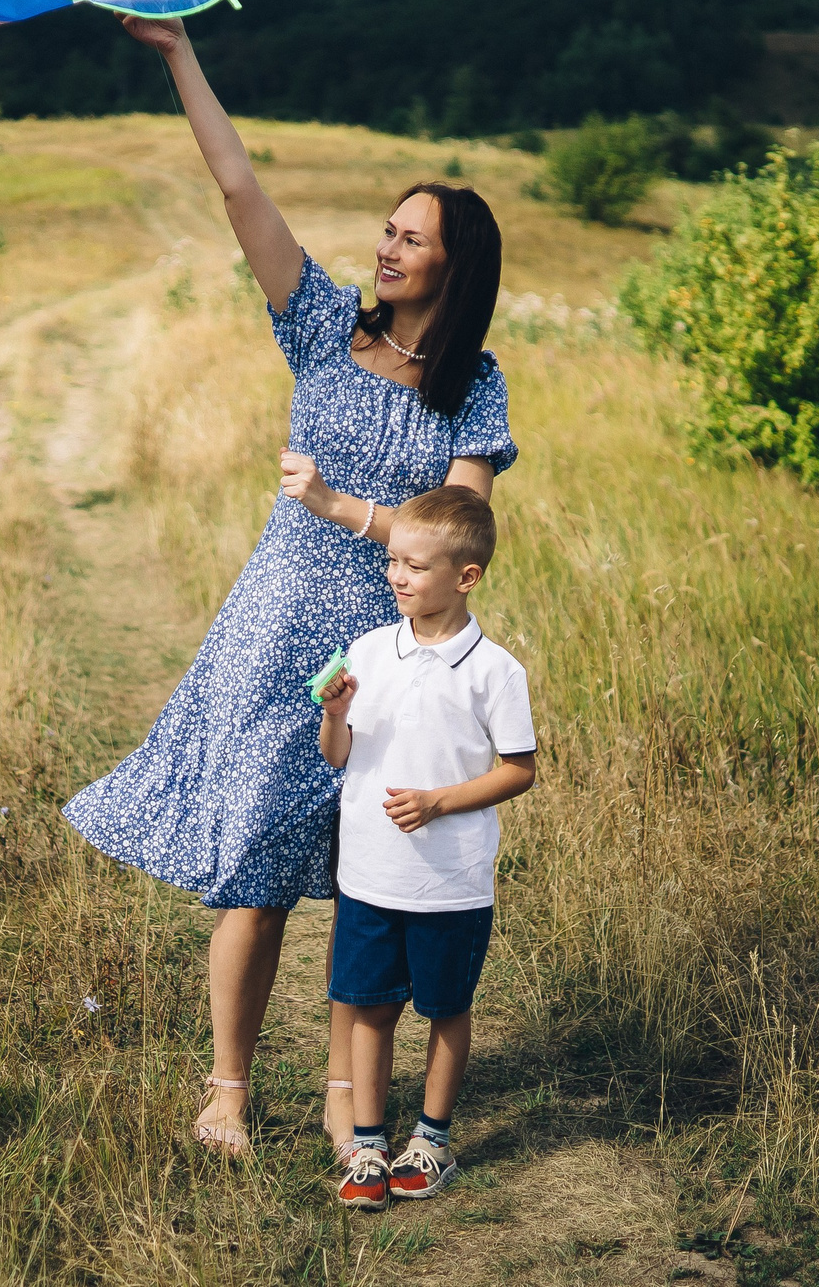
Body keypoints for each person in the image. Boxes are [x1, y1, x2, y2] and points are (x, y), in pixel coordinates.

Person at [62, 15, 518, 1157]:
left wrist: (349, 514)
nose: (387, 248)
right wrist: (178, 57)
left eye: (411, 239)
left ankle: (338, 1091)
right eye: (387, 229)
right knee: (258, 863)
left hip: (393, 646)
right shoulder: (320, 328)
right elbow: (236, 187)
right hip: (280, 632)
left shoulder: (474, 386)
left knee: (370, 870)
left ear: (454, 266)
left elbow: (465, 528)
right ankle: (225, 1089)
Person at [313, 486, 536, 1210]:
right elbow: (339, 756)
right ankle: (370, 1145)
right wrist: (336, 715)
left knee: (445, 1007)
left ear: (465, 577)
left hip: (450, 880)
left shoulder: (494, 670)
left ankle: (431, 1140)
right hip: (371, 873)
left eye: (414, 565)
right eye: (393, 561)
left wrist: (439, 800)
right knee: (369, 1006)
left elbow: (518, 768)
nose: (397, 576)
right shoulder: (373, 649)